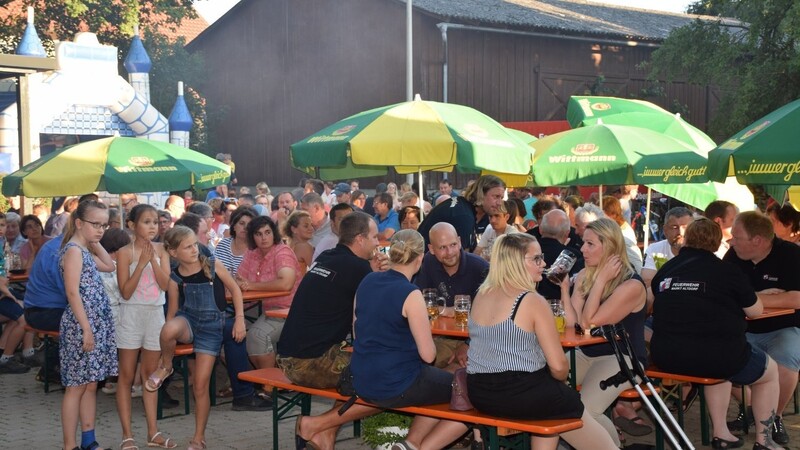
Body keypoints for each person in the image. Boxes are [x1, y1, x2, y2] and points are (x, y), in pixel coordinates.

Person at [467, 233, 617, 450]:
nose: (544, 263)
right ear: (517, 263)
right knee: (562, 398)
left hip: (480, 393)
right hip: (521, 394)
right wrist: (559, 378)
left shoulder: (481, 294)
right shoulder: (532, 300)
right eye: (536, 259)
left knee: (551, 400)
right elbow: (558, 366)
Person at [651, 217, 783, 450]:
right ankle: (765, 441)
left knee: (716, 366)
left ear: (687, 239)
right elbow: (755, 311)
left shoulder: (665, 271)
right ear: (716, 243)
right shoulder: (727, 271)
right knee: (770, 372)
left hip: (667, 357)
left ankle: (722, 434)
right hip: (718, 356)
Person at [277, 211, 388, 450]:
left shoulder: (328, 256)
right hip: (311, 362)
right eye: (374, 237)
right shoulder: (357, 268)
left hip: (290, 356)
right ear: (360, 239)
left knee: (360, 369)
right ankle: (314, 425)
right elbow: (385, 309)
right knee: (389, 381)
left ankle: (325, 434)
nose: (378, 243)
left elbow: (345, 283)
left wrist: (370, 271)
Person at [352, 229, 469, 450]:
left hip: (361, 376)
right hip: (396, 383)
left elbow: (357, 332)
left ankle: (410, 444)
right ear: (420, 258)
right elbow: (428, 355)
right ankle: (419, 447)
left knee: (449, 379)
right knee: (468, 390)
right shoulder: (411, 293)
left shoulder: (367, 280)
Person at [149, 225, 245, 450]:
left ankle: (198, 438)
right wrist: (167, 340)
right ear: (173, 253)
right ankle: (166, 366)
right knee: (167, 329)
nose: (194, 249)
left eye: (195, 244)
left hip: (212, 329)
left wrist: (240, 319)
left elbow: (235, 290)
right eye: (188, 247)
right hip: (189, 321)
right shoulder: (175, 277)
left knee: (200, 387)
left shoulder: (212, 265)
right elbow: (173, 310)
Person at [565, 217, 647, 447]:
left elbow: (590, 323)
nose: (582, 249)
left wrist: (599, 280)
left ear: (609, 247)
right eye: (583, 242)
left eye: (590, 244)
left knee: (587, 410)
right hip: (587, 353)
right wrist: (566, 289)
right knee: (547, 392)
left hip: (624, 358)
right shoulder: (587, 275)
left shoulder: (631, 285)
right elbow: (574, 324)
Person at [724, 211, 800, 445]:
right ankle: (751, 409)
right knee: (717, 356)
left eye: (736, 237)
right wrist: (760, 296)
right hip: (742, 329)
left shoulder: (791, 255)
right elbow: (724, 294)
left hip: (783, 328)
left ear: (757, 240)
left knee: (787, 357)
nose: (731, 241)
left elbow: (796, 299)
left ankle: (772, 417)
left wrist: (750, 298)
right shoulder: (734, 256)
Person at [114, 204, 175, 450]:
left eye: (155, 222)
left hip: (154, 316)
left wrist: (154, 261)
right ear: (132, 225)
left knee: (151, 377)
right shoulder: (124, 252)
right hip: (130, 316)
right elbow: (126, 292)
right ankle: (127, 434)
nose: (153, 226)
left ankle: (153, 432)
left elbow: (165, 285)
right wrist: (141, 264)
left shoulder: (163, 250)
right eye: (147, 221)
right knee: (126, 376)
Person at [59, 200, 118, 450]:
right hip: (81, 325)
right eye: (96, 224)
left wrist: (94, 241)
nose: (101, 229)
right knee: (76, 386)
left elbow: (110, 265)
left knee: (91, 384)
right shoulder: (73, 250)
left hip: (95, 323)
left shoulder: (85, 249)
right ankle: (69, 445)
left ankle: (88, 440)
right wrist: (85, 328)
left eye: (104, 225)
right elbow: (72, 293)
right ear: (79, 223)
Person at [211, 206, 272, 410]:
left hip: (252, 304)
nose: (245, 228)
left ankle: (245, 383)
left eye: (249, 225)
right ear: (234, 226)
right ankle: (241, 384)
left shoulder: (256, 251)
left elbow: (254, 280)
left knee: (240, 333)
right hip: (227, 302)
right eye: (241, 223)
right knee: (230, 334)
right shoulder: (223, 245)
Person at [415, 222, 488, 368]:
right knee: (415, 366)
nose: (450, 252)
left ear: (460, 242)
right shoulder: (428, 262)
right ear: (431, 249)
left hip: (476, 339)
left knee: (455, 372)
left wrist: (468, 344)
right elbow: (418, 302)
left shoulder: (480, 268)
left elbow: (492, 315)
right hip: (437, 337)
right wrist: (446, 311)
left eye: (453, 244)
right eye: (442, 247)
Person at [237, 216, 301, 370]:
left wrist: (252, 286)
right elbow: (238, 279)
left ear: (274, 234)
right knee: (228, 332)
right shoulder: (252, 253)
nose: (264, 238)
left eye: (267, 232)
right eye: (258, 234)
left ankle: (267, 387)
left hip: (286, 310)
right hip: (258, 306)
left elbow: (286, 284)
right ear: (252, 237)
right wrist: (243, 284)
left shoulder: (282, 252)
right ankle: (245, 384)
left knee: (257, 335)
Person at [418, 175, 506, 252]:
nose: (499, 203)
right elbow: (461, 265)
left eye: (501, 198)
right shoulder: (464, 216)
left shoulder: (463, 206)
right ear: (481, 194)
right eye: (496, 197)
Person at [97, 227, 130, 397]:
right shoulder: (119, 267)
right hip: (115, 318)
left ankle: (112, 377)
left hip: (97, 319)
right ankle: (132, 381)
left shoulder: (94, 262)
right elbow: (125, 294)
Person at [0, 211, 33, 374]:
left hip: (5, 290)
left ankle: (5, 353)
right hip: (2, 293)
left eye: (3, 225)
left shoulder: (3, 243)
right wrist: (10, 294)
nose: (2, 229)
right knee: (24, 317)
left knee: (29, 305)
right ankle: (7, 358)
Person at [641, 207, 693, 308]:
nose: (680, 233)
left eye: (685, 227)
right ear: (665, 230)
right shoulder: (654, 249)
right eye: (674, 227)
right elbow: (647, 283)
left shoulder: (702, 251)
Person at [536, 209, 584, 301]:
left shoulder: (526, 251)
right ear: (567, 233)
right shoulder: (572, 256)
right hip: (561, 308)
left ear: (540, 230)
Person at [602, 195, 643, 274]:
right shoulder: (615, 229)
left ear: (612, 214)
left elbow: (636, 266)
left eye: (601, 212)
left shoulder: (624, 234)